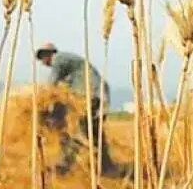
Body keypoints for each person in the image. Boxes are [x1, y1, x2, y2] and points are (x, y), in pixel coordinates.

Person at [35, 42, 130, 178]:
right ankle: (107, 168)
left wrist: (41, 105)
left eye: (42, 57)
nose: (42, 62)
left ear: (48, 54)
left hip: (90, 96)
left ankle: (64, 167)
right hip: (98, 96)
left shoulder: (59, 59)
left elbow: (51, 86)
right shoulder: (70, 69)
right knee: (95, 134)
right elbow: (63, 90)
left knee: (77, 131)